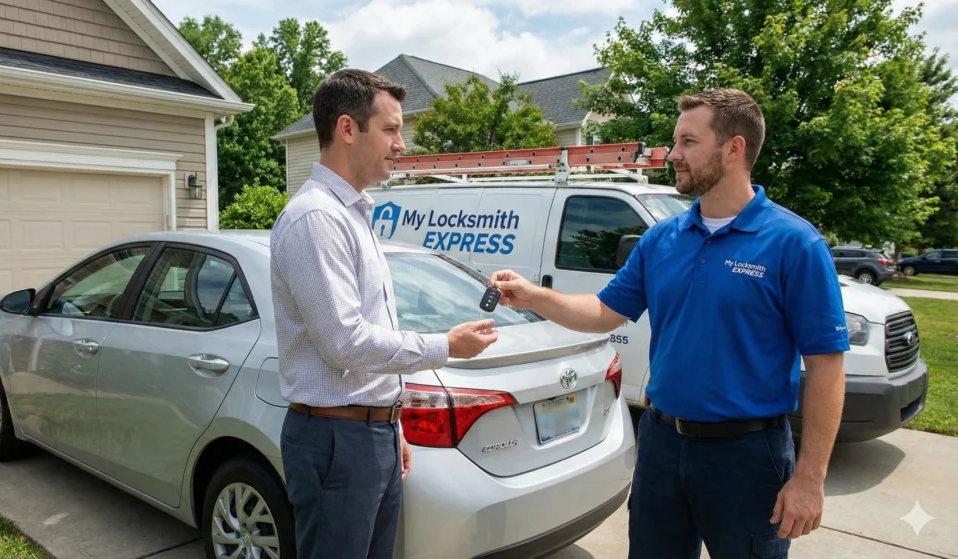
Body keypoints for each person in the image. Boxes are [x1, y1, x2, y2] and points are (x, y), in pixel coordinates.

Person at [489, 88, 848, 559]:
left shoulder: (794, 244)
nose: (672, 155)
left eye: (688, 142)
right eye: (675, 142)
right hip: (661, 444)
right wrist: (535, 296)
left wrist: (809, 478)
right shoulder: (662, 239)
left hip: (746, 457)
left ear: (733, 148)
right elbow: (602, 313)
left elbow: (826, 367)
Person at [268, 69, 499, 559]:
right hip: (337, 440)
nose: (401, 144)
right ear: (348, 129)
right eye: (391, 130)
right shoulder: (317, 219)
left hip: (365, 434)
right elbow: (345, 344)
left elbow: (369, 336)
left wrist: (390, 426)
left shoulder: (352, 214)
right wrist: (446, 346)